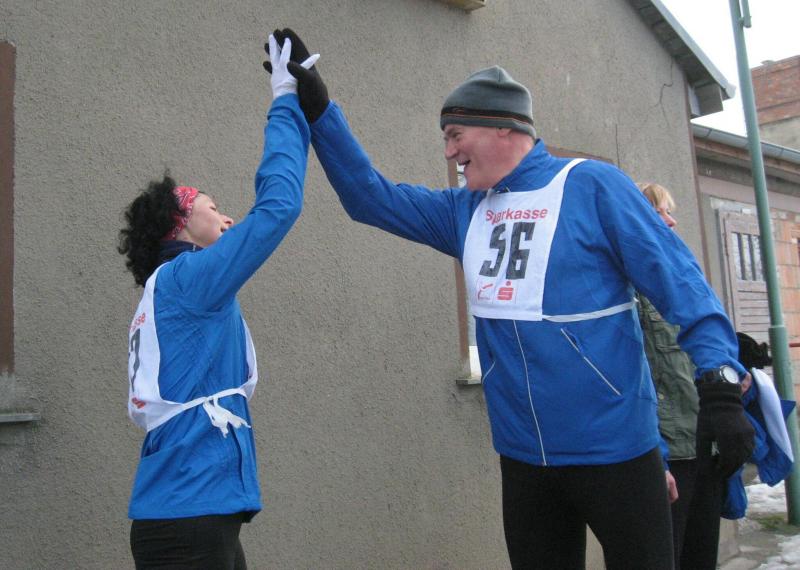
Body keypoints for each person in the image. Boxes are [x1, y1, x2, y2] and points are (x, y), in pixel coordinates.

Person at [264, 29, 755, 569]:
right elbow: (369, 197)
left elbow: (680, 281)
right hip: (524, 458)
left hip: (616, 451)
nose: (449, 152)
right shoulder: (464, 211)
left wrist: (720, 383)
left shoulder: (593, 185)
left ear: (504, 127)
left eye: (455, 135)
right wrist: (320, 111)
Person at [118, 36, 316, 569]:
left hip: (196, 512)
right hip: (188, 517)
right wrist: (285, 101)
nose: (227, 218)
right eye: (213, 206)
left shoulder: (171, 288)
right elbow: (278, 207)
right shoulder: (187, 281)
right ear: (180, 221)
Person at [637, 182, 726, 570]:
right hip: (670, 457)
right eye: (660, 212)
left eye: (670, 211)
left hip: (705, 446)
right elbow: (633, 381)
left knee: (701, 558)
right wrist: (657, 460)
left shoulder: (682, 280)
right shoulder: (629, 289)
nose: (671, 221)